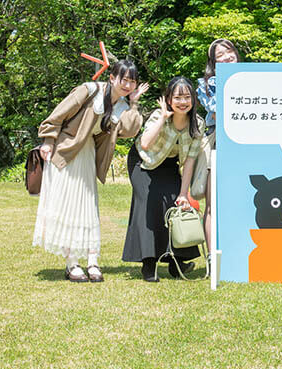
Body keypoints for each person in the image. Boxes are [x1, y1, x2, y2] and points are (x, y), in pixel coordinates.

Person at [33, 59, 149, 283]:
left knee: (87, 207)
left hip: (87, 157)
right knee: (68, 207)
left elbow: (131, 130)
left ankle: (93, 261)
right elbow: (58, 115)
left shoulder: (122, 106)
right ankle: (72, 263)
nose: (127, 85)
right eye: (124, 79)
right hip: (66, 153)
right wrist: (48, 141)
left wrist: (134, 104)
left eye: (132, 81)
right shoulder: (89, 90)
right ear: (112, 77)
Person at [123, 76, 205, 282]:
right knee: (149, 203)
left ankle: (177, 264)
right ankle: (148, 264)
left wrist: (183, 194)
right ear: (168, 99)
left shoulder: (197, 124)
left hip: (168, 164)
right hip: (142, 162)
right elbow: (145, 144)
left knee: (175, 204)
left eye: (187, 97)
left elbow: (190, 161)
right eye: (177, 97)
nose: (183, 102)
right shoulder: (158, 116)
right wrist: (162, 118)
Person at [196, 38, 240, 246]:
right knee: (212, 203)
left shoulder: (252, 77)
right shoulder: (205, 84)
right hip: (218, 143)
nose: (226, 57)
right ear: (213, 63)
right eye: (219, 55)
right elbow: (215, 108)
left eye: (228, 51)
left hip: (246, 145)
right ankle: (213, 256)